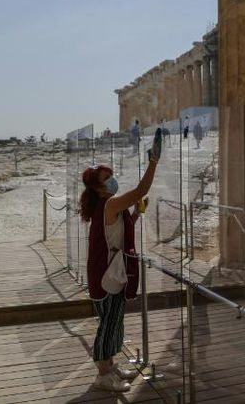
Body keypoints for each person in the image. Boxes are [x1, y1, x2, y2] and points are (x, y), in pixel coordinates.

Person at [80, 129, 162, 392]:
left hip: (111, 273)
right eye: (108, 178)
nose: (113, 181)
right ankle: (102, 375)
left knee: (115, 321)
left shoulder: (107, 205)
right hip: (107, 276)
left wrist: (135, 215)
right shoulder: (109, 203)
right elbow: (141, 189)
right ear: (97, 186)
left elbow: (114, 231)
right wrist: (153, 162)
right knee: (108, 323)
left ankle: (111, 366)